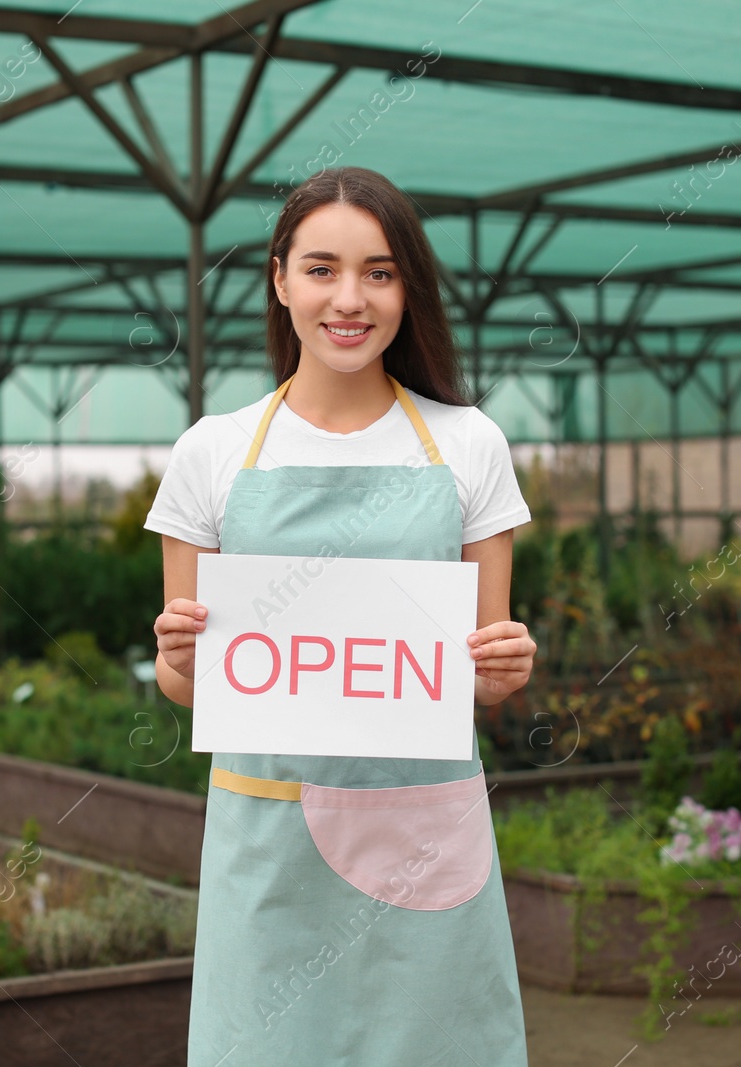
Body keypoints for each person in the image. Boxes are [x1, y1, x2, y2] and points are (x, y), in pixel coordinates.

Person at [144, 166, 535, 1066]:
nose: (349, 299)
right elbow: (183, 683)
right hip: (270, 844)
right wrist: (179, 657)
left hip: (422, 837)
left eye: (380, 273)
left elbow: (484, 674)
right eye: (321, 269)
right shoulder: (211, 454)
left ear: (408, 290)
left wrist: (508, 663)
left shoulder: (471, 446)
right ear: (280, 281)